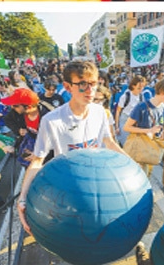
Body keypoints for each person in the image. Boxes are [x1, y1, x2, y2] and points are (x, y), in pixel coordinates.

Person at [17, 61, 126, 234]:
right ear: (68, 87)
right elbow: (37, 160)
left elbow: (110, 142)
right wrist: (23, 198)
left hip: (97, 181)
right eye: (82, 84)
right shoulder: (52, 121)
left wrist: (132, 164)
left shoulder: (100, 112)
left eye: (94, 83)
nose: (90, 90)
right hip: (70, 186)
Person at [124, 77, 164, 176]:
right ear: (163, 91)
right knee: (139, 178)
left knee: (147, 176)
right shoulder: (142, 107)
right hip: (140, 149)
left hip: (152, 148)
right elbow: (126, 127)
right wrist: (149, 130)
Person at [114, 74, 147, 145]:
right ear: (133, 86)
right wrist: (117, 126)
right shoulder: (126, 96)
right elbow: (118, 111)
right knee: (125, 143)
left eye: (143, 87)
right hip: (125, 119)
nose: (141, 89)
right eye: (139, 88)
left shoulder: (141, 96)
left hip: (135, 122)